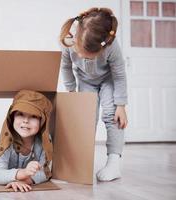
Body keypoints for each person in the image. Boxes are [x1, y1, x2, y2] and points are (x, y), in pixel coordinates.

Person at [59, 7, 128, 181]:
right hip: (85, 81)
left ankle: (113, 163)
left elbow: (119, 75)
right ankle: (82, 161)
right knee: (87, 118)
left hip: (108, 80)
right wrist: (71, 91)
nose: (82, 56)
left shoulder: (111, 47)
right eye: (81, 52)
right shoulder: (68, 42)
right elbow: (66, 67)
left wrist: (121, 105)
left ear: (102, 47)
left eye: (88, 56)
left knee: (112, 116)